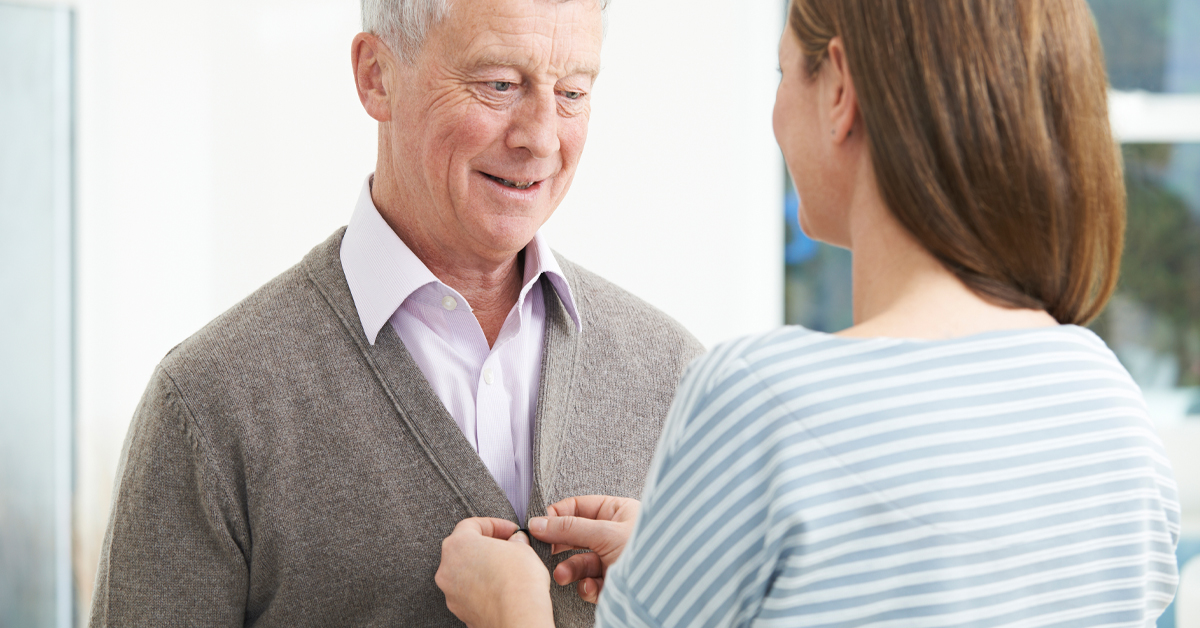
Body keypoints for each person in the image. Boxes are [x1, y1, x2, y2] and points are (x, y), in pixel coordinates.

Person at [434, 0, 1182, 625]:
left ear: (840, 91)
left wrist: (516, 612)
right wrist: (679, 568)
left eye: (784, 71)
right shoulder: (1110, 407)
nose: (774, 112)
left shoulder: (764, 400)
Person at [88, 0, 704, 626]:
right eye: (499, 85)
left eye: (572, 92)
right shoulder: (210, 405)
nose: (541, 137)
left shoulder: (680, 381)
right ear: (377, 76)